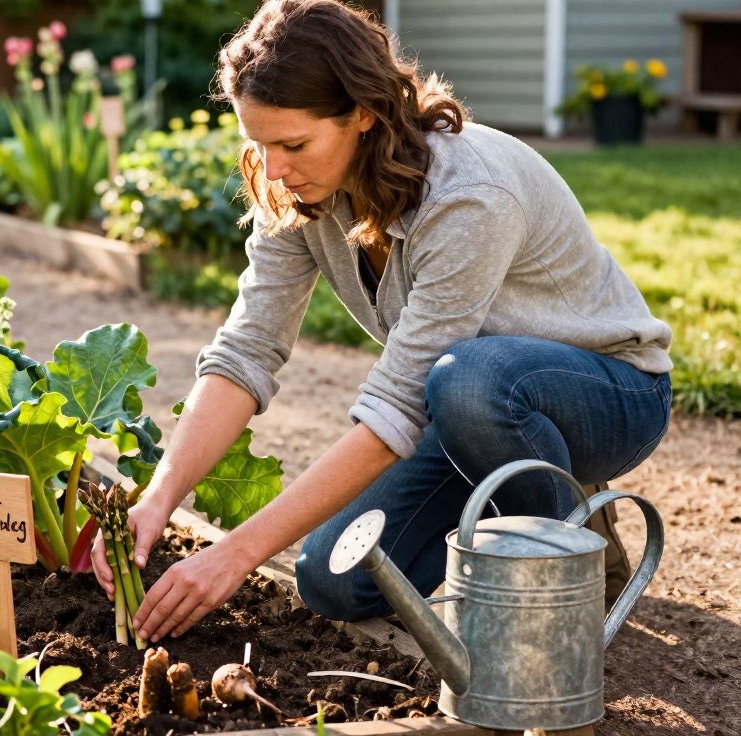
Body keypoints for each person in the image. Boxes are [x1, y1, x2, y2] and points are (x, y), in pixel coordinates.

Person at [91, 0, 673, 644]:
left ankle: (560, 564)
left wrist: (235, 553)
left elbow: (397, 406)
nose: (275, 168)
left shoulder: (467, 195)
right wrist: (156, 501)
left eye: (293, 143)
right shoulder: (296, 191)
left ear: (362, 114)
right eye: (258, 144)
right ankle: (514, 515)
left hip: (610, 393)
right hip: (463, 407)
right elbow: (245, 353)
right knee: (333, 578)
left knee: (470, 381)